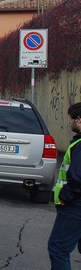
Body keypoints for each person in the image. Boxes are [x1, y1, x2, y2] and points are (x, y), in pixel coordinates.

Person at [48, 102, 81, 269]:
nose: (70, 123)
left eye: (72, 119)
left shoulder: (80, 145)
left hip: (75, 208)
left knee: (58, 248)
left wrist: (63, 196)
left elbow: (78, 178)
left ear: (79, 120)